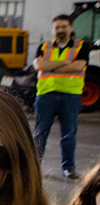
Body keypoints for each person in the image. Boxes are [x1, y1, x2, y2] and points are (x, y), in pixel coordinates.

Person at [34, 14, 91, 179]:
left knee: (69, 134)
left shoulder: (82, 46)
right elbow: (39, 65)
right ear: (53, 30)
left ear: (71, 27)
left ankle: (69, 167)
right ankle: (34, 167)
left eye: (64, 26)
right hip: (46, 95)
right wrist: (65, 63)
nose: (60, 30)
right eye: (57, 27)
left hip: (70, 96)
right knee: (39, 133)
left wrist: (50, 68)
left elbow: (79, 66)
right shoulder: (44, 47)